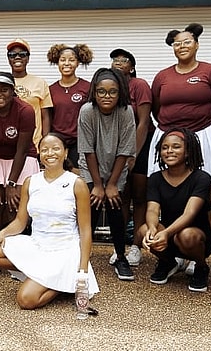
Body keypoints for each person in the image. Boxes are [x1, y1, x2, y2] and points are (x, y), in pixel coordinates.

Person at [0, 133, 100, 311]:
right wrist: (2, 234)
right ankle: (47, 277)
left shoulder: (77, 183)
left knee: (26, 300)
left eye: (56, 149)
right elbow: (21, 222)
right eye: (45, 150)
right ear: (39, 154)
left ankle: (67, 282)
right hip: (37, 245)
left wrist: (82, 271)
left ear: (65, 153)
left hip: (64, 251)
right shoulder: (31, 182)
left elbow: (85, 230)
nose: (50, 153)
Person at [77, 67, 136, 281]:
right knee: (90, 206)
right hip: (91, 164)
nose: (107, 96)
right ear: (94, 91)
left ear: (120, 92)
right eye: (101, 91)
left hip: (116, 166)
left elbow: (125, 150)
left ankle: (121, 256)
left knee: (115, 207)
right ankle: (83, 257)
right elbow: (87, 149)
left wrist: (111, 184)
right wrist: (97, 185)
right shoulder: (87, 111)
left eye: (112, 92)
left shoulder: (126, 111)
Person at [136, 128, 211, 290]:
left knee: (186, 235)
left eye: (176, 147)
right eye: (165, 147)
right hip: (168, 234)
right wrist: (152, 229)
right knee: (144, 231)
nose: (169, 151)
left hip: (196, 236)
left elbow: (190, 213)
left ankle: (201, 266)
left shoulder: (202, 178)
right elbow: (152, 210)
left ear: (187, 152)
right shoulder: (156, 178)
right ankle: (168, 262)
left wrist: (165, 233)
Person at [151, 24, 211, 183]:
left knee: (208, 183)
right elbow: (156, 108)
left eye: (187, 42)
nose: (182, 47)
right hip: (168, 136)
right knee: (166, 184)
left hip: (204, 135)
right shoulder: (162, 76)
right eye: (177, 44)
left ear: (197, 45)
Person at [0, 72, 39, 231]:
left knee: (13, 206)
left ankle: (13, 249)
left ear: (13, 91)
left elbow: (22, 151)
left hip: (22, 159)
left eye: (4, 90)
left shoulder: (26, 111)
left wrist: (11, 184)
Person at [111, 47, 154, 268]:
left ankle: (136, 247)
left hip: (141, 146)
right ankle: (119, 248)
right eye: (115, 60)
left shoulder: (140, 85)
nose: (118, 62)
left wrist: (133, 154)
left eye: (124, 60)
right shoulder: (110, 88)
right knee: (120, 197)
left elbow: (144, 122)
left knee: (138, 196)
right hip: (117, 147)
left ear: (132, 67)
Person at [46, 43, 93, 166]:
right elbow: (48, 117)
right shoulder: (50, 89)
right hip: (57, 141)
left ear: (78, 63)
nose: (67, 63)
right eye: (63, 60)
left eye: (71, 60)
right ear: (57, 62)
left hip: (79, 142)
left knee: (78, 176)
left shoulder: (87, 87)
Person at [6, 38, 53, 146]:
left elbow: (45, 116)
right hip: (8, 144)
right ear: (8, 59)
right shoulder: (3, 83)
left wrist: (44, 143)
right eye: (12, 54)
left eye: (22, 54)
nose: (17, 57)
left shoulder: (40, 83)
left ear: (28, 58)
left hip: (33, 145)